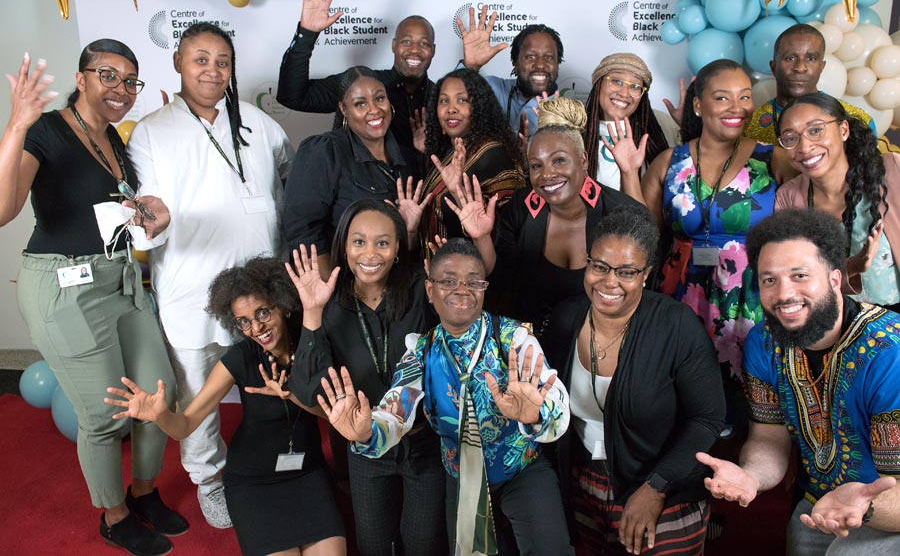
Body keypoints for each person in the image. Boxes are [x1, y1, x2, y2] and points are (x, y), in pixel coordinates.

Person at [2, 44, 185, 555]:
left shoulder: (112, 141)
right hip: (64, 288)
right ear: (81, 78)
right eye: (108, 75)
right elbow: (3, 208)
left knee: (158, 393)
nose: (121, 89)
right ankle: (114, 514)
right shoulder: (45, 130)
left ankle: (144, 493)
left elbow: (103, 213)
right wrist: (16, 124)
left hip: (120, 282)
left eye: (131, 81)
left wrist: (145, 214)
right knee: (106, 414)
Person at [129, 22, 292, 528]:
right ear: (177, 62)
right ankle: (209, 480)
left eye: (222, 61)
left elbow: (287, 174)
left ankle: (282, 462)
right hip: (190, 291)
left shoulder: (259, 127)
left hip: (262, 295)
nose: (213, 70)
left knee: (273, 381)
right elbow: (146, 217)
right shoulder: (152, 131)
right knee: (198, 390)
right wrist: (149, 220)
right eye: (201, 59)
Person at [313, 238, 572, 556]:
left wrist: (536, 414)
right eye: (448, 281)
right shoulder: (420, 352)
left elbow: (557, 405)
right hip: (461, 477)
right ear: (430, 290)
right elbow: (396, 410)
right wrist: (367, 431)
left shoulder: (513, 338)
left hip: (521, 469)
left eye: (473, 281)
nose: (461, 290)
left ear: (483, 288)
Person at [106, 257, 347, 556]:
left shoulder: (311, 342)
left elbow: (338, 419)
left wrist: (291, 393)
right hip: (254, 481)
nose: (256, 328)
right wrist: (160, 416)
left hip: (308, 472)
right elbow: (185, 425)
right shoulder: (240, 357)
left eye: (262, 313)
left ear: (282, 304)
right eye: (244, 321)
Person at [698, 208, 900, 555]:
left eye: (800, 275)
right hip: (820, 504)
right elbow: (769, 438)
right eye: (769, 280)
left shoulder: (889, 352)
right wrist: (751, 477)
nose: (783, 293)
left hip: (885, 509)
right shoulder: (764, 341)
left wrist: (863, 508)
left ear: (836, 278)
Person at [544, 208, 725, 555]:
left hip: (663, 490)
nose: (609, 281)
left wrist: (655, 487)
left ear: (645, 275)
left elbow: (707, 419)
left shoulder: (676, 326)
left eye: (626, 272)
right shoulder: (567, 320)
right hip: (587, 488)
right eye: (600, 266)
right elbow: (551, 405)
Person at [286, 199, 446, 556]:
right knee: (373, 545)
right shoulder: (326, 303)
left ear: (398, 248)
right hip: (364, 448)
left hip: (424, 445)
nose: (369, 253)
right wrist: (311, 313)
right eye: (359, 241)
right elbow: (307, 388)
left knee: (424, 545)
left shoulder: (423, 291)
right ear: (344, 245)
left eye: (382, 242)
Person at [637, 59, 785, 397]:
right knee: (685, 396)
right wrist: (630, 172)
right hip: (680, 298)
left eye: (745, 97)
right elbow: (643, 235)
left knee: (754, 400)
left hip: (753, 301)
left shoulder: (773, 159)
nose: (738, 108)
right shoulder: (668, 163)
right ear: (698, 105)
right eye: (722, 98)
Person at [448, 96, 640, 339]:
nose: (547, 174)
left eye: (559, 160)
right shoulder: (522, 207)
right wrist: (482, 238)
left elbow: (635, 294)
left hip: (599, 342)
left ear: (583, 160)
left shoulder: (621, 212)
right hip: (531, 343)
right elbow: (500, 280)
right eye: (536, 166)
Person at [283, 66, 423, 275]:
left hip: (399, 287)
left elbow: (412, 241)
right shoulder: (325, 151)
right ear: (344, 109)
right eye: (360, 103)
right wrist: (330, 294)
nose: (374, 109)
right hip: (345, 288)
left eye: (379, 99)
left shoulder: (409, 159)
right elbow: (304, 232)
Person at [277, 0, 435, 150]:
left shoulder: (441, 98)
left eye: (424, 44)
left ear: (433, 50)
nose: (414, 50)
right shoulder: (359, 83)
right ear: (394, 46)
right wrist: (306, 34)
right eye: (406, 42)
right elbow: (292, 97)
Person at [775, 93, 900, 309]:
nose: (805, 147)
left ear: (843, 130)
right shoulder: (789, 198)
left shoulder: (892, 171)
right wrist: (850, 267)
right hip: (835, 325)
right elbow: (795, 279)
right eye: (791, 138)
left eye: (815, 130)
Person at [421, 68, 525, 244]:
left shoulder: (494, 155)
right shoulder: (446, 151)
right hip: (438, 265)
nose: (451, 109)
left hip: (473, 267)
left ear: (479, 106)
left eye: (462, 100)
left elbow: (502, 230)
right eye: (444, 100)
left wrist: (458, 191)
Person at [744, 24, 876, 145]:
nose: (800, 67)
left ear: (821, 67)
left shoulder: (858, 123)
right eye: (790, 58)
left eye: (811, 59)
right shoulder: (752, 126)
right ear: (774, 67)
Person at [457, 6, 562, 136]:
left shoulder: (566, 113)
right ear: (515, 62)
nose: (540, 65)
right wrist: (471, 66)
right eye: (531, 57)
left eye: (548, 57)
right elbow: (455, 100)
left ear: (558, 63)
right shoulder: (491, 88)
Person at [582, 53, 676, 191]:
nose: (624, 93)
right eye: (616, 81)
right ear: (599, 84)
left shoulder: (663, 125)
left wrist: (688, 124)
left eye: (635, 86)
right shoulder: (573, 126)